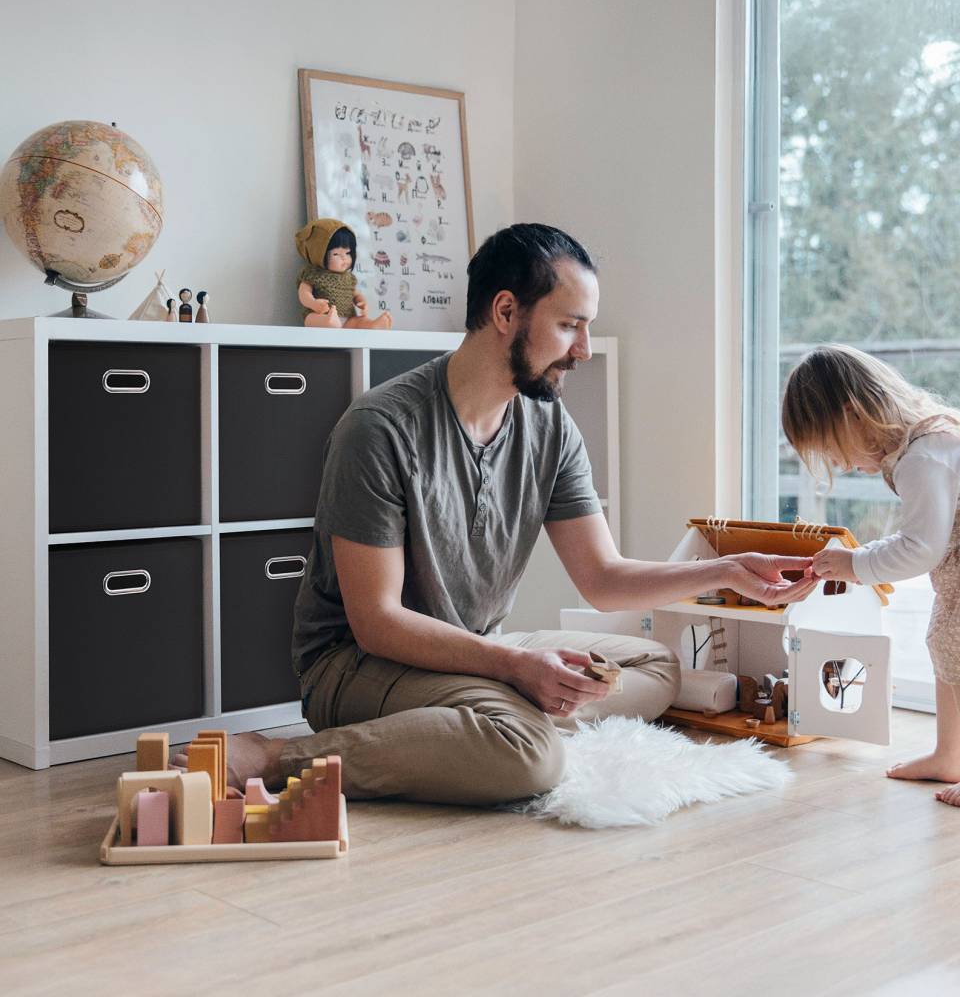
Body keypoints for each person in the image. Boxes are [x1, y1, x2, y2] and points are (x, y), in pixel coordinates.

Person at [176, 224, 815, 804]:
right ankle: (278, 755)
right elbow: (377, 623)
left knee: (654, 668)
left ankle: (477, 719)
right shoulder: (380, 428)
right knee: (531, 759)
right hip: (358, 666)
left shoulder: (550, 427)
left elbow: (603, 579)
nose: (585, 350)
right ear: (506, 311)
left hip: (473, 651)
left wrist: (727, 571)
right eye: (570, 326)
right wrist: (514, 668)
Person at [782, 344, 960, 808]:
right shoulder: (921, 446)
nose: (838, 464)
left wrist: (854, 565)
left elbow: (921, 548)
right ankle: (951, 755)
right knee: (949, 646)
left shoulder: (924, 456)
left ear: (853, 413)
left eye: (831, 448)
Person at [295, 218, 392, 330]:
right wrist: (313, 303)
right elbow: (304, 294)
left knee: (359, 321)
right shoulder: (312, 274)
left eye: (347, 253)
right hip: (322, 314)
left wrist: (362, 302)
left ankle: (372, 326)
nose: (344, 258)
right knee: (311, 319)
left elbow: (356, 294)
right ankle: (329, 321)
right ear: (317, 254)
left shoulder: (349, 278)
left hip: (348, 319)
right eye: (336, 254)